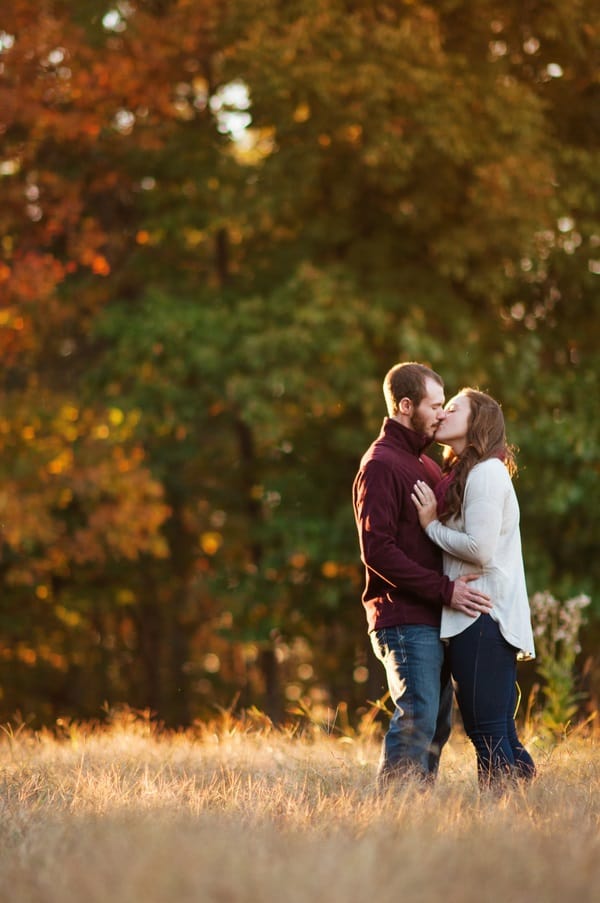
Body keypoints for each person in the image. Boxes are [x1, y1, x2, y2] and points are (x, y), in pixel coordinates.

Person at [352, 363, 492, 787]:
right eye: (434, 405)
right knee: (417, 715)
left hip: (433, 616)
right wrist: (444, 590)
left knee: (435, 726)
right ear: (406, 406)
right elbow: (378, 551)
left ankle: (416, 823)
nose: (440, 414)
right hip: (402, 618)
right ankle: (392, 817)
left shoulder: (425, 465)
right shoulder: (380, 464)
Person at [411, 388, 536, 789]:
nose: (444, 414)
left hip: (483, 616)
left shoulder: (485, 473)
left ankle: (501, 813)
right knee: (494, 727)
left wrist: (431, 525)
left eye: (453, 408)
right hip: (476, 617)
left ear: (477, 420)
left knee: (486, 730)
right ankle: (525, 798)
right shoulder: (474, 472)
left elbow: (480, 550)